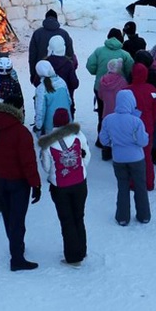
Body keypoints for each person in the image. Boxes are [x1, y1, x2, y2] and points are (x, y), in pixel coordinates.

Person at [0, 95, 42, 271]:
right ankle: (17, 257)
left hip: (1, 178)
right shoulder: (21, 132)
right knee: (17, 220)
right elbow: (28, 161)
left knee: (8, 217)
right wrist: (36, 184)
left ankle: (16, 246)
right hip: (19, 182)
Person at [37, 108, 90, 267]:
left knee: (67, 220)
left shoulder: (48, 144)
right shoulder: (78, 137)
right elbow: (85, 156)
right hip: (80, 182)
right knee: (79, 216)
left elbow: (46, 167)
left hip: (60, 186)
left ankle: (73, 257)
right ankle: (81, 249)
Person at [99, 90, 151, 226]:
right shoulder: (136, 121)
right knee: (140, 186)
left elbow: (103, 140)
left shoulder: (108, 119)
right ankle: (144, 215)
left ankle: (122, 217)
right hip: (137, 159)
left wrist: (114, 144)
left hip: (118, 159)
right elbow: (143, 142)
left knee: (122, 186)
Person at [86, 29, 134, 124]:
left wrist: (99, 72)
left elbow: (90, 66)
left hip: (100, 86)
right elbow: (130, 70)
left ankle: (101, 134)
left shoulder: (99, 51)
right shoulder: (124, 54)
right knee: (118, 112)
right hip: (120, 89)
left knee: (102, 112)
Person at [124, 63, 156, 191]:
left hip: (131, 127)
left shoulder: (127, 91)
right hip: (147, 126)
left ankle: (133, 182)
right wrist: (152, 121)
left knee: (133, 155)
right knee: (147, 156)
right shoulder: (152, 89)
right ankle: (149, 182)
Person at [28, 9, 76, 85]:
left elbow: (32, 56)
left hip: (42, 73)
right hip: (63, 73)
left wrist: (33, 74)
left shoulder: (37, 34)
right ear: (56, 19)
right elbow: (70, 54)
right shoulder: (64, 34)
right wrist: (71, 71)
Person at [33, 60, 72, 136]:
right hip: (67, 121)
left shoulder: (41, 89)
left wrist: (38, 128)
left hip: (51, 127)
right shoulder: (62, 82)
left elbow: (40, 111)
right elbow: (69, 101)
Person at [45, 35, 79, 116]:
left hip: (48, 100)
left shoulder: (45, 63)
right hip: (66, 101)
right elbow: (74, 83)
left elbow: (37, 82)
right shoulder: (68, 64)